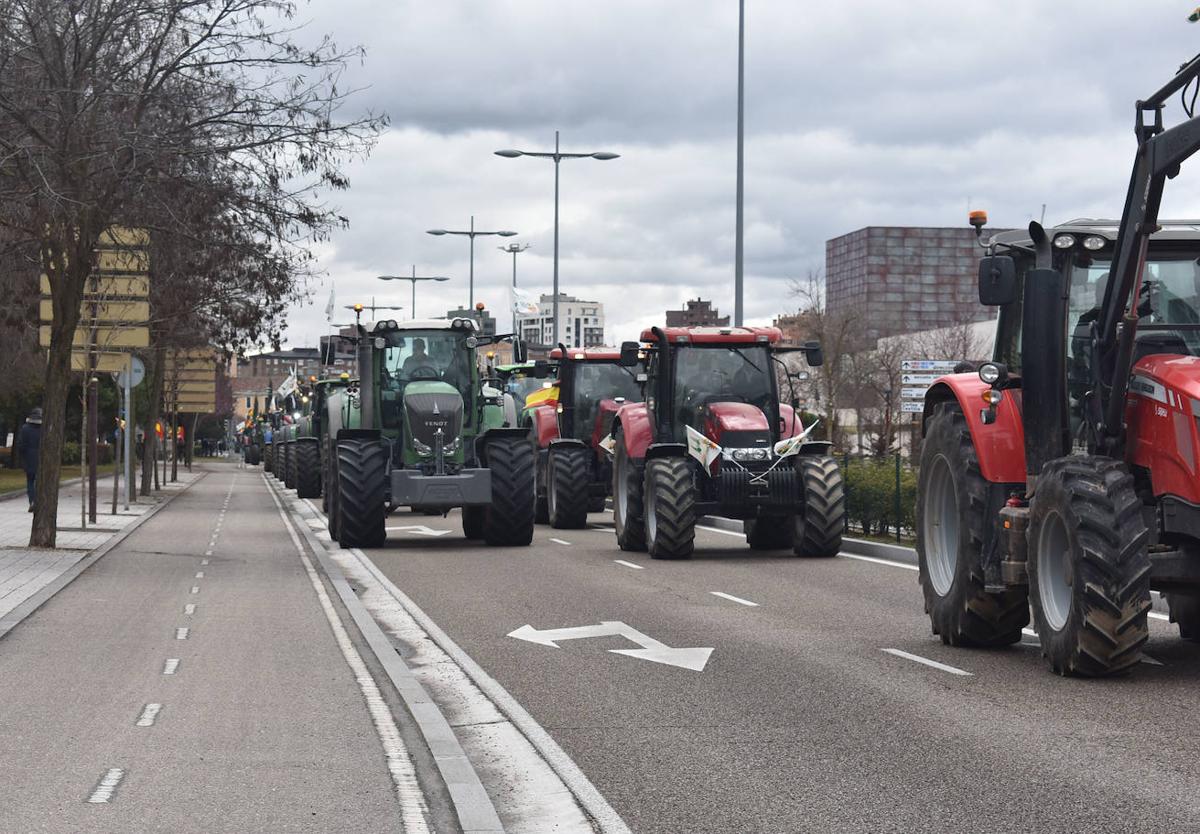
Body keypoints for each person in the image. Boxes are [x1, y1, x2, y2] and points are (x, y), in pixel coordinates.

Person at [16, 407, 42, 513]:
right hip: (42, 458)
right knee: (40, 481)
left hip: (29, 458)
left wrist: (23, 456)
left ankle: (32, 501)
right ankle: (40, 502)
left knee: (30, 481)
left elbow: (21, 445)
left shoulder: (25, 428)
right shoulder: (44, 429)